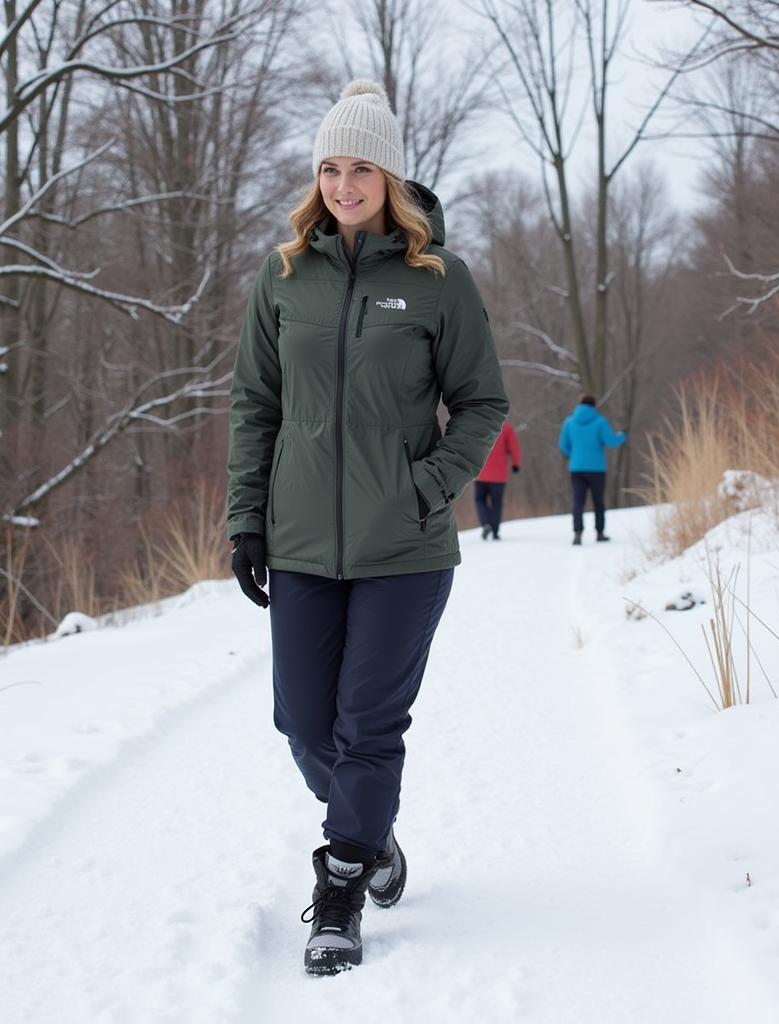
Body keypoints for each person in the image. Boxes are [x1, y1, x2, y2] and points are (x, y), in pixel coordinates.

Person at [226, 80, 508, 975]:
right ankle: (373, 831)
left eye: (363, 168)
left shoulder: (437, 280)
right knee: (303, 722)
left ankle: (342, 884)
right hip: (302, 539)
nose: (346, 183)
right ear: (319, 177)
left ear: (390, 177)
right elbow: (253, 406)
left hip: (405, 546)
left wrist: (428, 486)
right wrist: (246, 521)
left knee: (368, 724)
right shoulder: (282, 277)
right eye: (331, 167)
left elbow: (481, 402)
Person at [558, 395, 626, 545]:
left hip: (576, 468)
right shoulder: (600, 422)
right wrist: (622, 436)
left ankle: (577, 533)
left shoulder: (569, 422)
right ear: (594, 406)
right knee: (598, 501)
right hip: (596, 469)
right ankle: (600, 533)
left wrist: (574, 456)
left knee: (578, 502)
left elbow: (563, 446)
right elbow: (611, 441)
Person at [474, 420, 521, 540]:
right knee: (497, 503)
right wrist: (516, 464)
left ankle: (485, 524)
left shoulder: (479, 426)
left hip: (480, 473)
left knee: (480, 500)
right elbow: (514, 447)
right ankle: (495, 531)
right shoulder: (505, 428)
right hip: (499, 475)